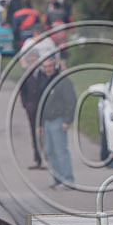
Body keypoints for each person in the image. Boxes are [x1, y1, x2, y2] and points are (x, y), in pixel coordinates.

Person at [38, 59, 75, 187]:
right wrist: (40, 125)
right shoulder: (45, 82)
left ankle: (68, 180)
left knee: (61, 151)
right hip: (47, 122)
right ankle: (57, 179)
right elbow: (42, 105)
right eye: (45, 67)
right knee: (49, 152)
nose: (48, 69)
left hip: (58, 121)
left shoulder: (63, 81)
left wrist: (67, 120)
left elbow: (71, 101)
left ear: (55, 66)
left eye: (50, 66)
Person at [19, 51, 44, 169]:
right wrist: (26, 104)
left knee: (46, 133)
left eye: (35, 58)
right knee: (34, 133)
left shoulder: (44, 73)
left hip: (45, 109)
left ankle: (47, 158)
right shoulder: (26, 75)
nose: (33, 60)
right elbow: (22, 91)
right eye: (31, 58)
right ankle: (37, 159)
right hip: (32, 108)